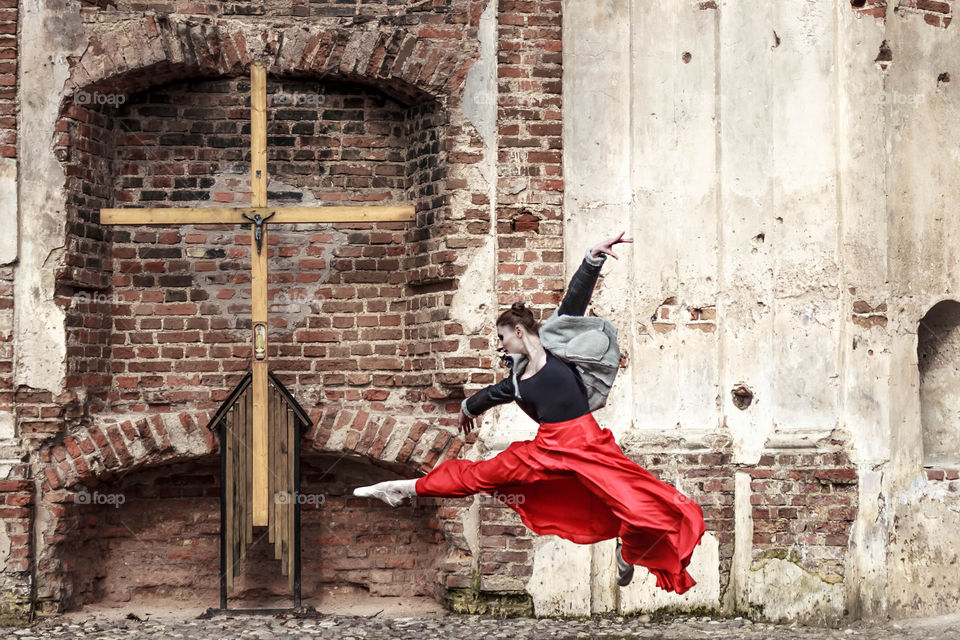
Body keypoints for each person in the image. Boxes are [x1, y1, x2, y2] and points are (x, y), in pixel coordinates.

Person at [354, 232, 706, 594]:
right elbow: (495, 393)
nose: (501, 347)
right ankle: (403, 488)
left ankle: (628, 553)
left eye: (503, 339)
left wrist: (592, 259)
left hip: (587, 444)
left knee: (644, 506)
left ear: (519, 332)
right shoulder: (518, 378)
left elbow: (575, 300)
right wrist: (467, 407)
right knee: (481, 475)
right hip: (546, 449)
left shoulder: (557, 342)